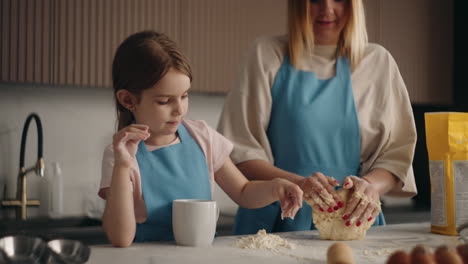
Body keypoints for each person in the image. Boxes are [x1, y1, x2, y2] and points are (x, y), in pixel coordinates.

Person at [217, 0, 418, 235]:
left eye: (339, 0)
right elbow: (240, 153)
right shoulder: (266, 54)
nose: (327, 9)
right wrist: (299, 185)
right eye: (315, 0)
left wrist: (370, 187)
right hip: (277, 217)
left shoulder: (377, 62)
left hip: (352, 218)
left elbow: (396, 158)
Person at [98, 30, 303, 247]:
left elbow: (243, 192)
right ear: (128, 100)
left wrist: (276, 187)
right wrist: (122, 166)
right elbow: (121, 239)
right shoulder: (119, 156)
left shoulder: (203, 137)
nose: (179, 110)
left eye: (185, 96)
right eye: (165, 101)